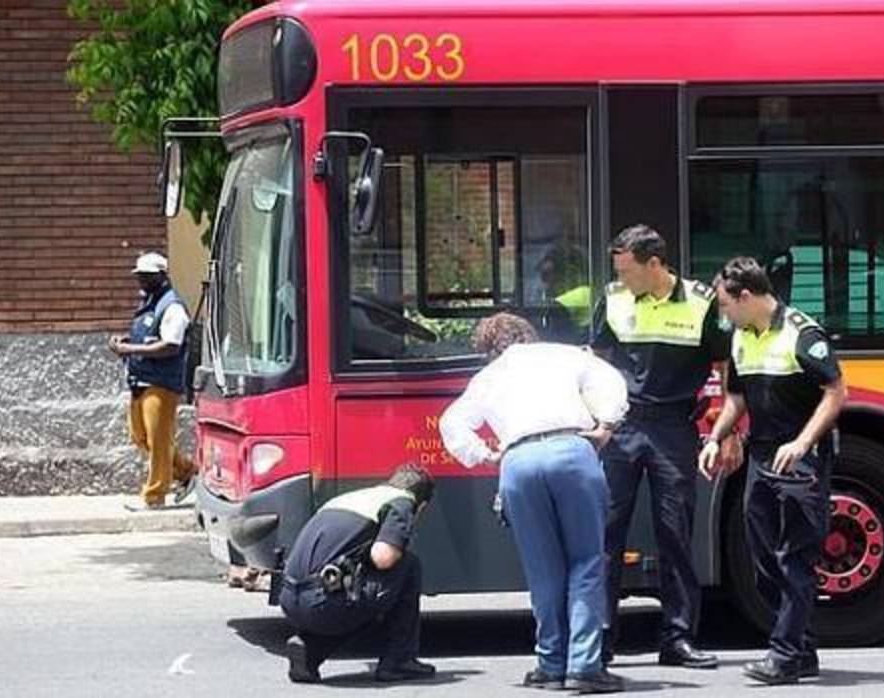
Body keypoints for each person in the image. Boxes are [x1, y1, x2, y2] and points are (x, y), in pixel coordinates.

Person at [440, 313, 628, 693]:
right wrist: (606, 425)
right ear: (528, 335)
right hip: (572, 451)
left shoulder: (487, 376)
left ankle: (549, 663)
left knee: (543, 570)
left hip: (518, 461)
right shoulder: (564, 354)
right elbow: (611, 382)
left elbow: (452, 424)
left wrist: (485, 456)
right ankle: (585, 667)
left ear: (487, 349)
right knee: (587, 563)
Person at [591, 224, 738, 669]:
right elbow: (595, 363)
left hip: (675, 428)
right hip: (622, 426)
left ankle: (677, 639)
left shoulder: (700, 302)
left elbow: (726, 363)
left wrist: (726, 429)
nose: (621, 279)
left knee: (675, 534)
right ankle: (599, 639)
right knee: (606, 534)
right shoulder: (614, 300)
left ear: (655, 265)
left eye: (628, 269)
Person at [699, 256, 847, 685]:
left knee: (796, 558)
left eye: (726, 306)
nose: (723, 316)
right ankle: (802, 651)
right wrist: (714, 439)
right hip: (762, 458)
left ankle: (783, 657)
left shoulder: (802, 333)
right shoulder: (741, 338)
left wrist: (802, 442)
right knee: (763, 559)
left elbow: (836, 392)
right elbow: (736, 401)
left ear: (746, 297)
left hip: (802, 461)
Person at [278, 463, 437, 684]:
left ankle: (310, 651)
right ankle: (398, 661)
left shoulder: (350, 498)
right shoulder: (402, 502)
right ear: (422, 505)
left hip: (289, 598)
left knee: (360, 590)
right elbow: (383, 558)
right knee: (407, 566)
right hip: (323, 602)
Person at [107, 251, 197, 511]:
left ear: (161, 276)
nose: (141, 281)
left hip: (161, 382)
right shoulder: (150, 302)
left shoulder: (172, 306)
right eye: (139, 276)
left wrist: (131, 350)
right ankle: (188, 472)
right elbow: (148, 335)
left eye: (146, 276)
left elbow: (171, 345)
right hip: (140, 380)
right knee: (140, 436)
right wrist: (126, 342)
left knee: (159, 440)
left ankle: (154, 496)